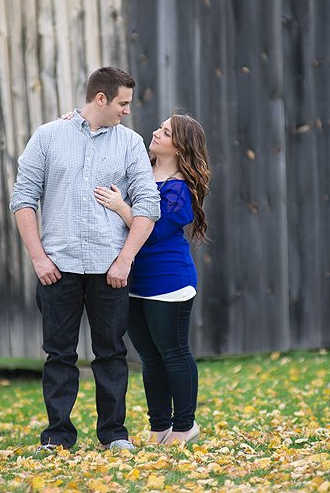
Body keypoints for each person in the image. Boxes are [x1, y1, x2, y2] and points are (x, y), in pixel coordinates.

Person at [10, 67, 160, 452]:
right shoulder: (48, 137)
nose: (127, 110)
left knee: (111, 353)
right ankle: (57, 437)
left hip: (110, 268)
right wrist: (38, 258)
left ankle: (114, 435)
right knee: (59, 356)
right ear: (101, 99)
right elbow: (23, 198)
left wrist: (125, 259)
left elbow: (148, 205)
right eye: (123, 103)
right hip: (57, 268)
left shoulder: (129, 143)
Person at [93, 111, 211, 446]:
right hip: (133, 279)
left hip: (168, 280)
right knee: (149, 356)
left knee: (173, 351)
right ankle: (160, 427)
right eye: (159, 127)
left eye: (166, 131)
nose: (156, 132)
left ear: (180, 146)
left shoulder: (180, 189)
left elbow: (154, 233)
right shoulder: (140, 171)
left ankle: (185, 425)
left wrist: (120, 207)